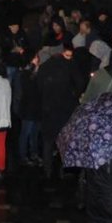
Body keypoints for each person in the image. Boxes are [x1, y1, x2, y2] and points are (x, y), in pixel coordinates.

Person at [37, 43, 85, 178]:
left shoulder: (44, 67)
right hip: (65, 109)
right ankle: (64, 170)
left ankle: (47, 170)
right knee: (64, 141)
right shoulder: (69, 65)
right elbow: (80, 82)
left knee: (48, 141)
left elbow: (39, 88)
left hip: (48, 109)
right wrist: (74, 94)